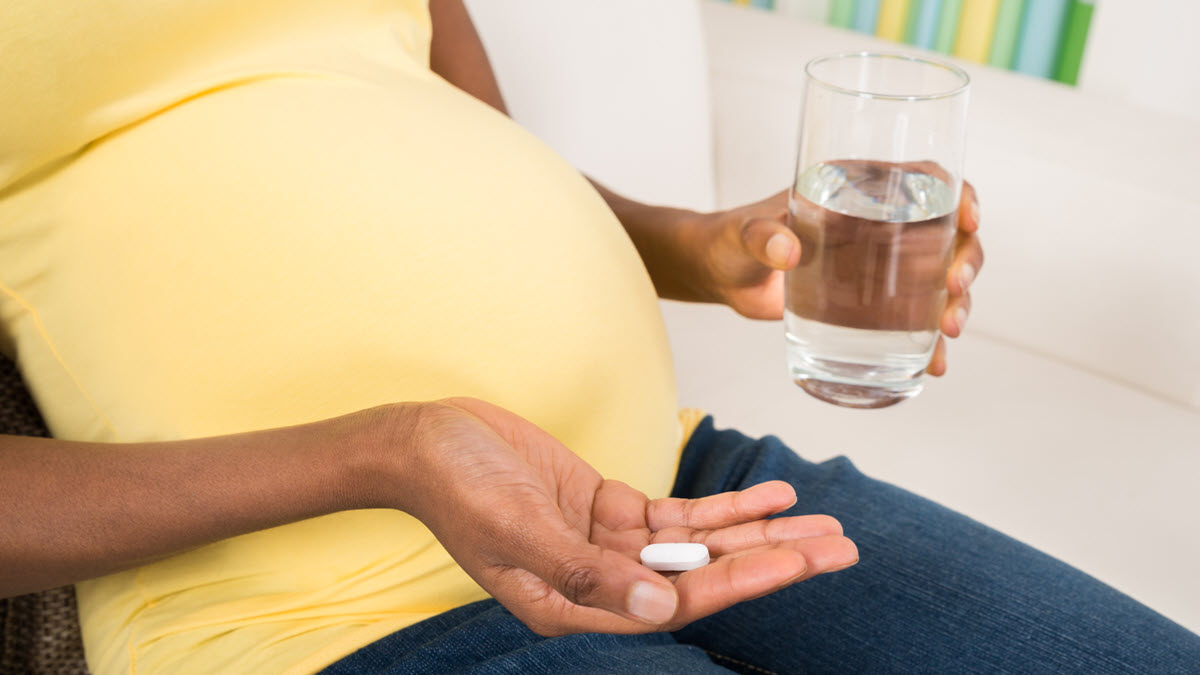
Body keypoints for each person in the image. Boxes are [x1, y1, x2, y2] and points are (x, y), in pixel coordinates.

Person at [0, 1, 1196, 673]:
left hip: (674, 487)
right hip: (336, 617)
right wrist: (394, 451)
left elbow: (460, 145)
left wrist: (698, 245)